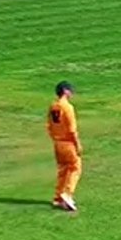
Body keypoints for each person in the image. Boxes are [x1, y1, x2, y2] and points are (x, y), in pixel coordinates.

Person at [47, 81, 82, 212]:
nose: (72, 93)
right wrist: (77, 144)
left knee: (63, 170)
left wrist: (55, 138)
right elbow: (72, 129)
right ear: (65, 91)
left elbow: (49, 125)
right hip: (68, 143)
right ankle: (67, 193)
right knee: (75, 167)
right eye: (70, 90)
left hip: (57, 142)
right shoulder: (67, 107)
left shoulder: (53, 106)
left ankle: (58, 198)